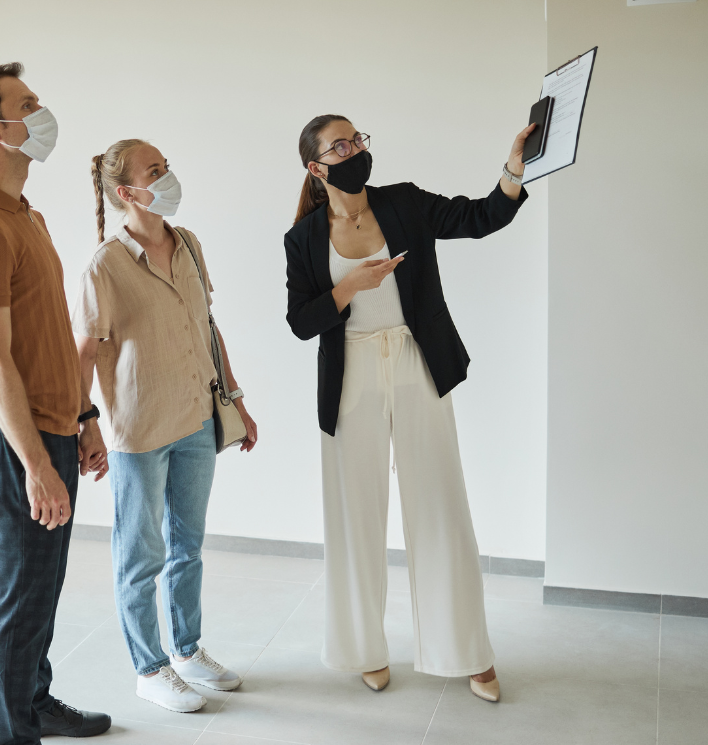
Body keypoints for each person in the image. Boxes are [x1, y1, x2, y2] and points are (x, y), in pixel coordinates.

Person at [284, 114, 535, 703]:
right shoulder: (303, 238)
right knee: (356, 515)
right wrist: (351, 288)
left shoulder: (404, 203)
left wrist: (514, 169)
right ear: (317, 168)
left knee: (440, 504)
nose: (355, 150)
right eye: (340, 145)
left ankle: (468, 651)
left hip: (417, 361)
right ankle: (364, 648)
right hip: (351, 375)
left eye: (358, 139)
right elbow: (301, 322)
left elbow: (480, 218)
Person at [0, 62, 112, 741]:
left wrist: (83, 416)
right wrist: (36, 465)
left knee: (42, 588)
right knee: (21, 598)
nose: (42, 114)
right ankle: (16, 731)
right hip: (19, 442)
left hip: (52, 427)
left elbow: (47, 337)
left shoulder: (27, 217)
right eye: (28, 104)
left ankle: (37, 700)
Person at [72, 139, 258, 713]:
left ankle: (186, 650)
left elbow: (207, 326)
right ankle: (148, 667)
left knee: (188, 546)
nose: (169, 176)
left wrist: (237, 401)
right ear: (127, 192)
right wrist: (87, 424)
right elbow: (83, 351)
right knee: (140, 553)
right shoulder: (105, 265)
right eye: (156, 171)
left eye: (167, 166)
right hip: (139, 431)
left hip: (197, 418)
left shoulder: (190, 244)